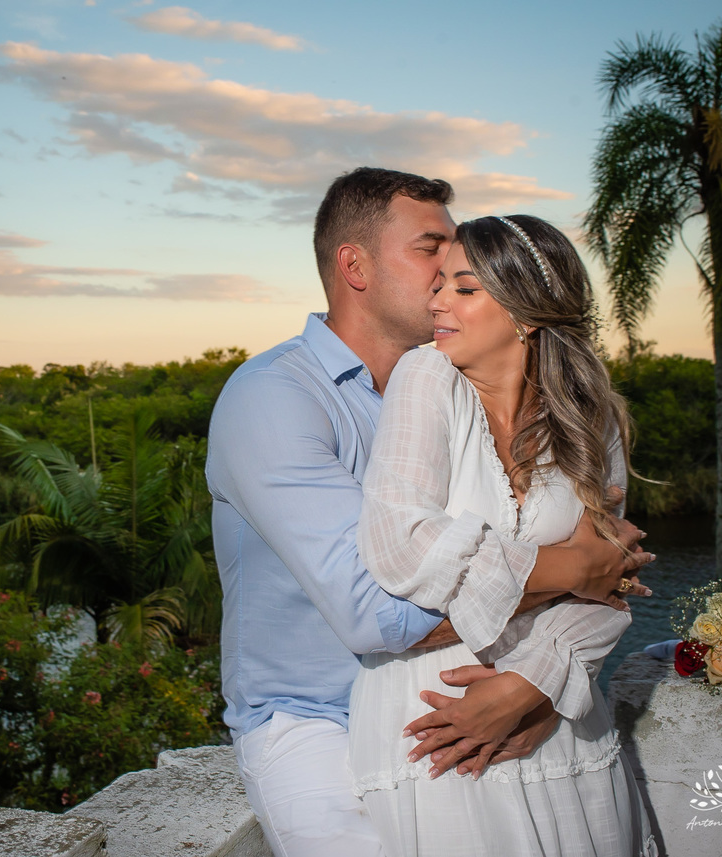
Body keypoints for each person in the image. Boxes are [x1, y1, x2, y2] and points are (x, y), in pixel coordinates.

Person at [206, 169, 651, 857]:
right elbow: (376, 614)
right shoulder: (274, 397)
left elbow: (603, 565)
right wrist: (577, 571)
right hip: (314, 718)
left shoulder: (472, 383)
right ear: (355, 266)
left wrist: (536, 684)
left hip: (474, 690)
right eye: (431, 248)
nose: (450, 262)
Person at [350, 214, 657, 856]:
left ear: (527, 312)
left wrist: (531, 687)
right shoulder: (425, 376)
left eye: (464, 288)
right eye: (439, 283)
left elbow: (615, 584)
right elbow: (400, 546)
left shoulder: (591, 416)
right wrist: (574, 569)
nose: (436, 301)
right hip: (438, 715)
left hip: (556, 715)